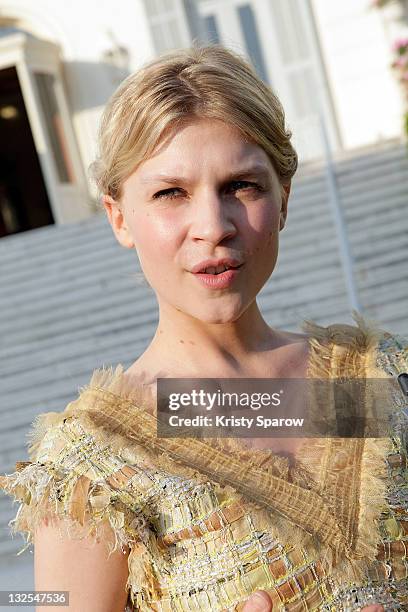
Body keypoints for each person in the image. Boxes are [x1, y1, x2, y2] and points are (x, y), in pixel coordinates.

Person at [0, 43, 406, 611]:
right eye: (171, 193)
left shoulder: (376, 377)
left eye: (242, 185)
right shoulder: (93, 467)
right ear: (119, 216)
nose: (212, 226)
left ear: (283, 198)